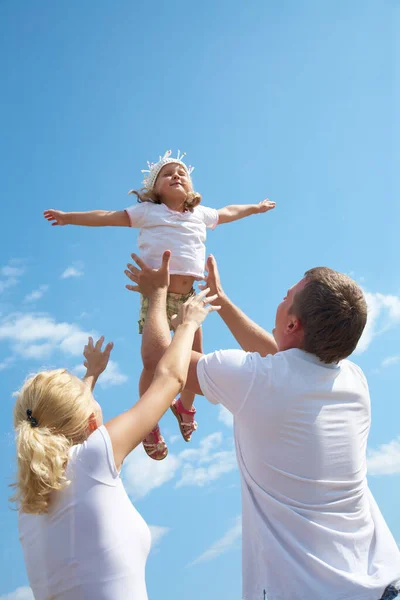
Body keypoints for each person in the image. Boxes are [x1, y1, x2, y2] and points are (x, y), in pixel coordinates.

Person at [125, 251, 400, 600]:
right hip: (381, 584)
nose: (281, 298)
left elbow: (159, 360)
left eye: (286, 297)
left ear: (292, 325)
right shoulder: (353, 382)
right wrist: (221, 302)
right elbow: (285, 362)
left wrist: (160, 296)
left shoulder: (256, 381)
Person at [43, 149, 275, 461]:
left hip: (190, 295)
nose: (176, 176)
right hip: (158, 295)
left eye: (182, 173)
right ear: (155, 189)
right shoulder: (148, 213)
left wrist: (255, 208)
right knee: (154, 363)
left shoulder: (201, 214)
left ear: (190, 187)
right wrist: (69, 218)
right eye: (168, 174)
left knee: (196, 356)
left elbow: (230, 211)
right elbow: (107, 217)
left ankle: (184, 406)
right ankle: (148, 422)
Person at [11, 289, 218, 600]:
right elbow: (171, 378)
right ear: (86, 420)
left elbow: (67, 419)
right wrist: (188, 324)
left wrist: (91, 375)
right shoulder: (93, 457)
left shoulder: (31, 503)